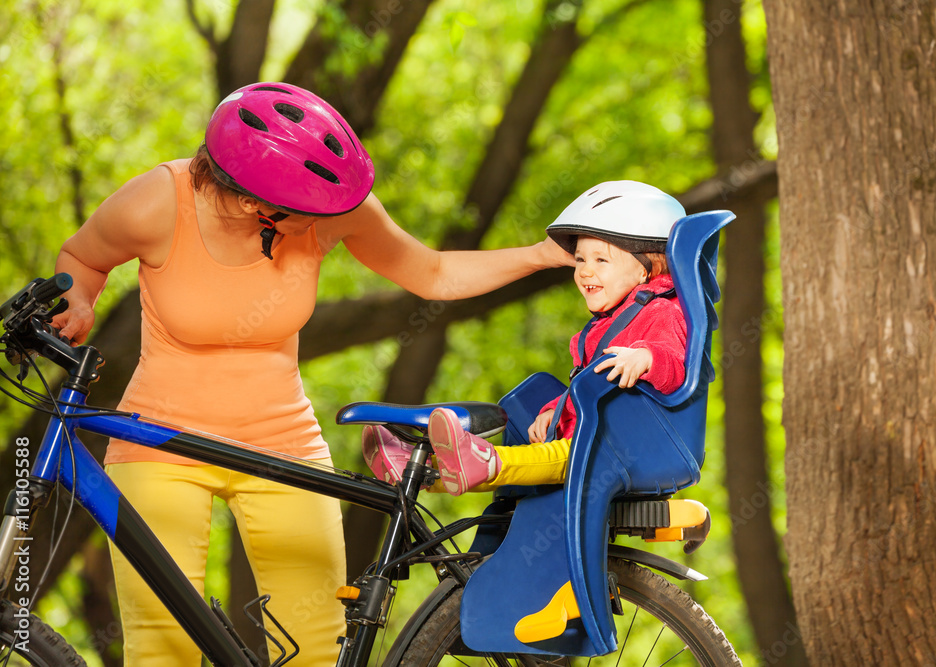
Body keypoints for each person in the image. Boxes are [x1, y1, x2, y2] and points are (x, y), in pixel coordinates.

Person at [51, 82, 573, 666]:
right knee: (163, 645)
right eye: (310, 215)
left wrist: (541, 254)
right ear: (255, 204)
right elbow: (83, 257)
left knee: (315, 644)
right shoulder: (155, 202)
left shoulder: (329, 207)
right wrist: (79, 301)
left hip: (283, 443)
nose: (328, 221)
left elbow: (432, 273)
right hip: (158, 443)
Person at [363, 180, 688, 495]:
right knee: (528, 468)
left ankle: (482, 460)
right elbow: (585, 390)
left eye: (601, 260)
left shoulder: (659, 313)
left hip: (614, 449)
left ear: (647, 268)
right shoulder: (602, 327)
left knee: (542, 459)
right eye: (580, 260)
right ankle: (422, 473)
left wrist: (646, 357)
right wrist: (555, 412)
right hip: (586, 436)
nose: (585, 271)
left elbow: (674, 366)